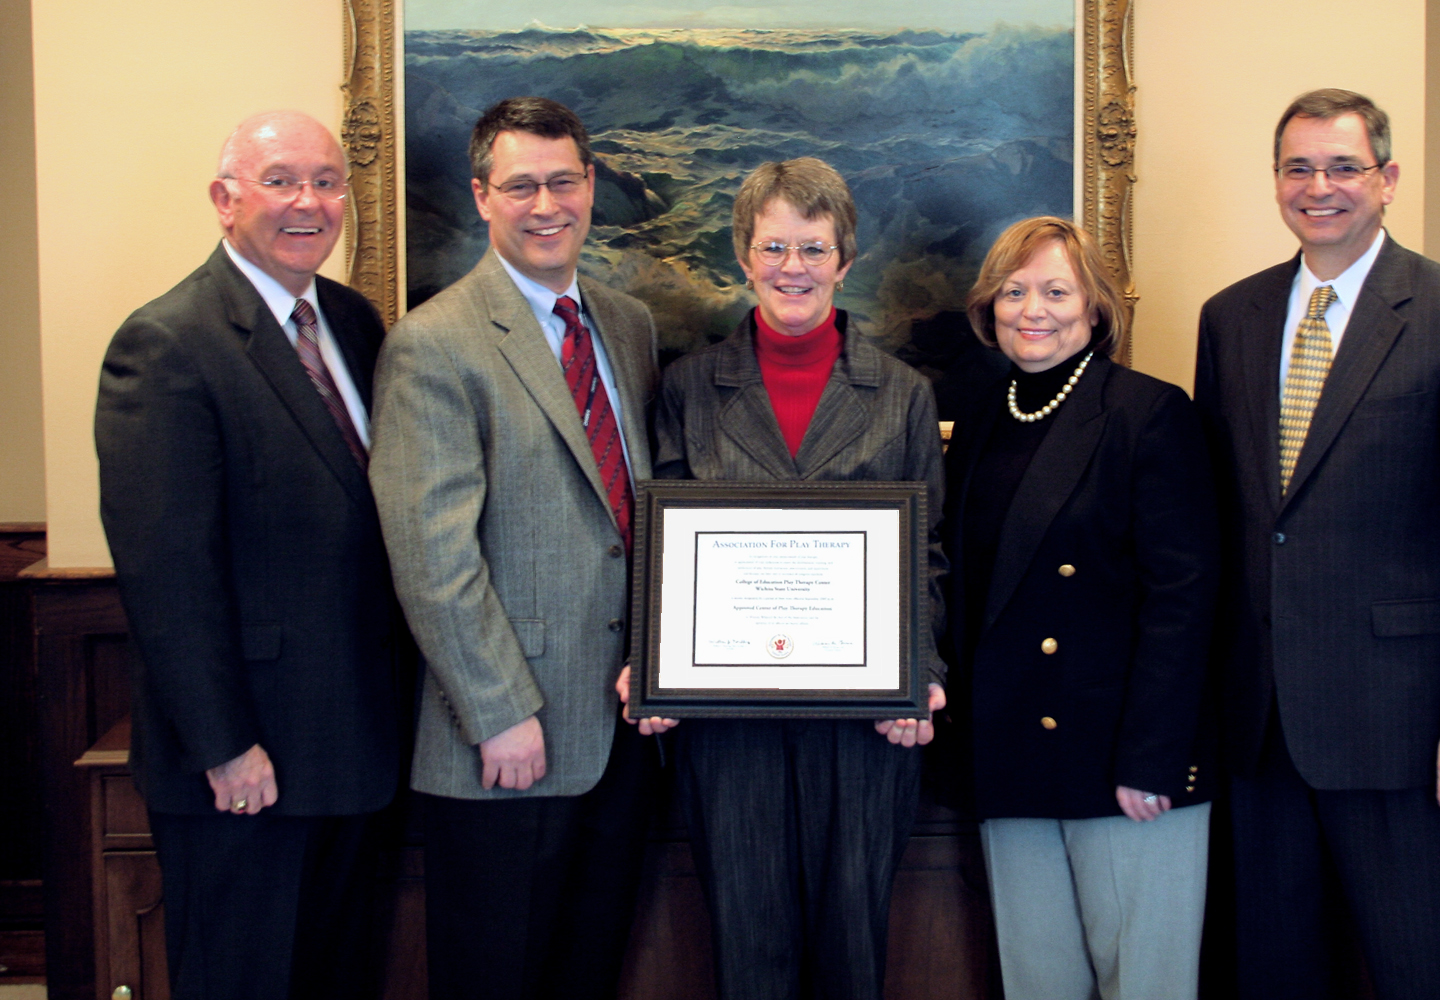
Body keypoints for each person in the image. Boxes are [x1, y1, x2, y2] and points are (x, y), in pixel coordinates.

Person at [1193, 88, 1440, 999]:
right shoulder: (1230, 319)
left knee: (1423, 973)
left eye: (1344, 166)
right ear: (1276, 183)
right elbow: (1230, 520)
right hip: (1261, 730)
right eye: (1299, 167)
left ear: (1386, 180)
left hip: (1409, 730)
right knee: (1272, 977)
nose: (1321, 187)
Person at [95, 111, 402, 1000]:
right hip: (247, 767)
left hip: (359, 750)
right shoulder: (166, 344)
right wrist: (226, 746)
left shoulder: (351, 320)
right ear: (224, 200)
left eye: (327, 181)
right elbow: (165, 576)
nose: (309, 202)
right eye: (281, 181)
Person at [368, 96, 660, 999]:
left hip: (624, 732)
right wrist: (498, 710)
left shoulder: (628, 324)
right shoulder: (433, 343)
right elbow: (431, 552)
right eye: (521, 185)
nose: (547, 205)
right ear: (482, 196)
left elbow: (634, 519)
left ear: (591, 185)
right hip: (506, 742)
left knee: (589, 973)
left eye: (563, 182)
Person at [645, 156, 947, 999]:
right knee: (748, 952)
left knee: (853, 952)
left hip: (865, 724)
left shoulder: (902, 394)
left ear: (847, 260)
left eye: (814, 248)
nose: (792, 268)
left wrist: (920, 674)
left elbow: (928, 550)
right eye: (773, 245)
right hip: (727, 723)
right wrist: (657, 659)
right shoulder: (688, 388)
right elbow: (661, 547)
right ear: (743, 255)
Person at [939, 216, 1218, 1000]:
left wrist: (1153, 759)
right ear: (989, 306)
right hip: (1011, 759)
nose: (1034, 308)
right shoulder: (986, 415)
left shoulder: (1148, 413)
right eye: (1013, 290)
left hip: (1125, 768)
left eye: (1057, 290)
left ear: (1095, 307)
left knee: (1146, 986)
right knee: (1039, 985)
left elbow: (1184, 600)